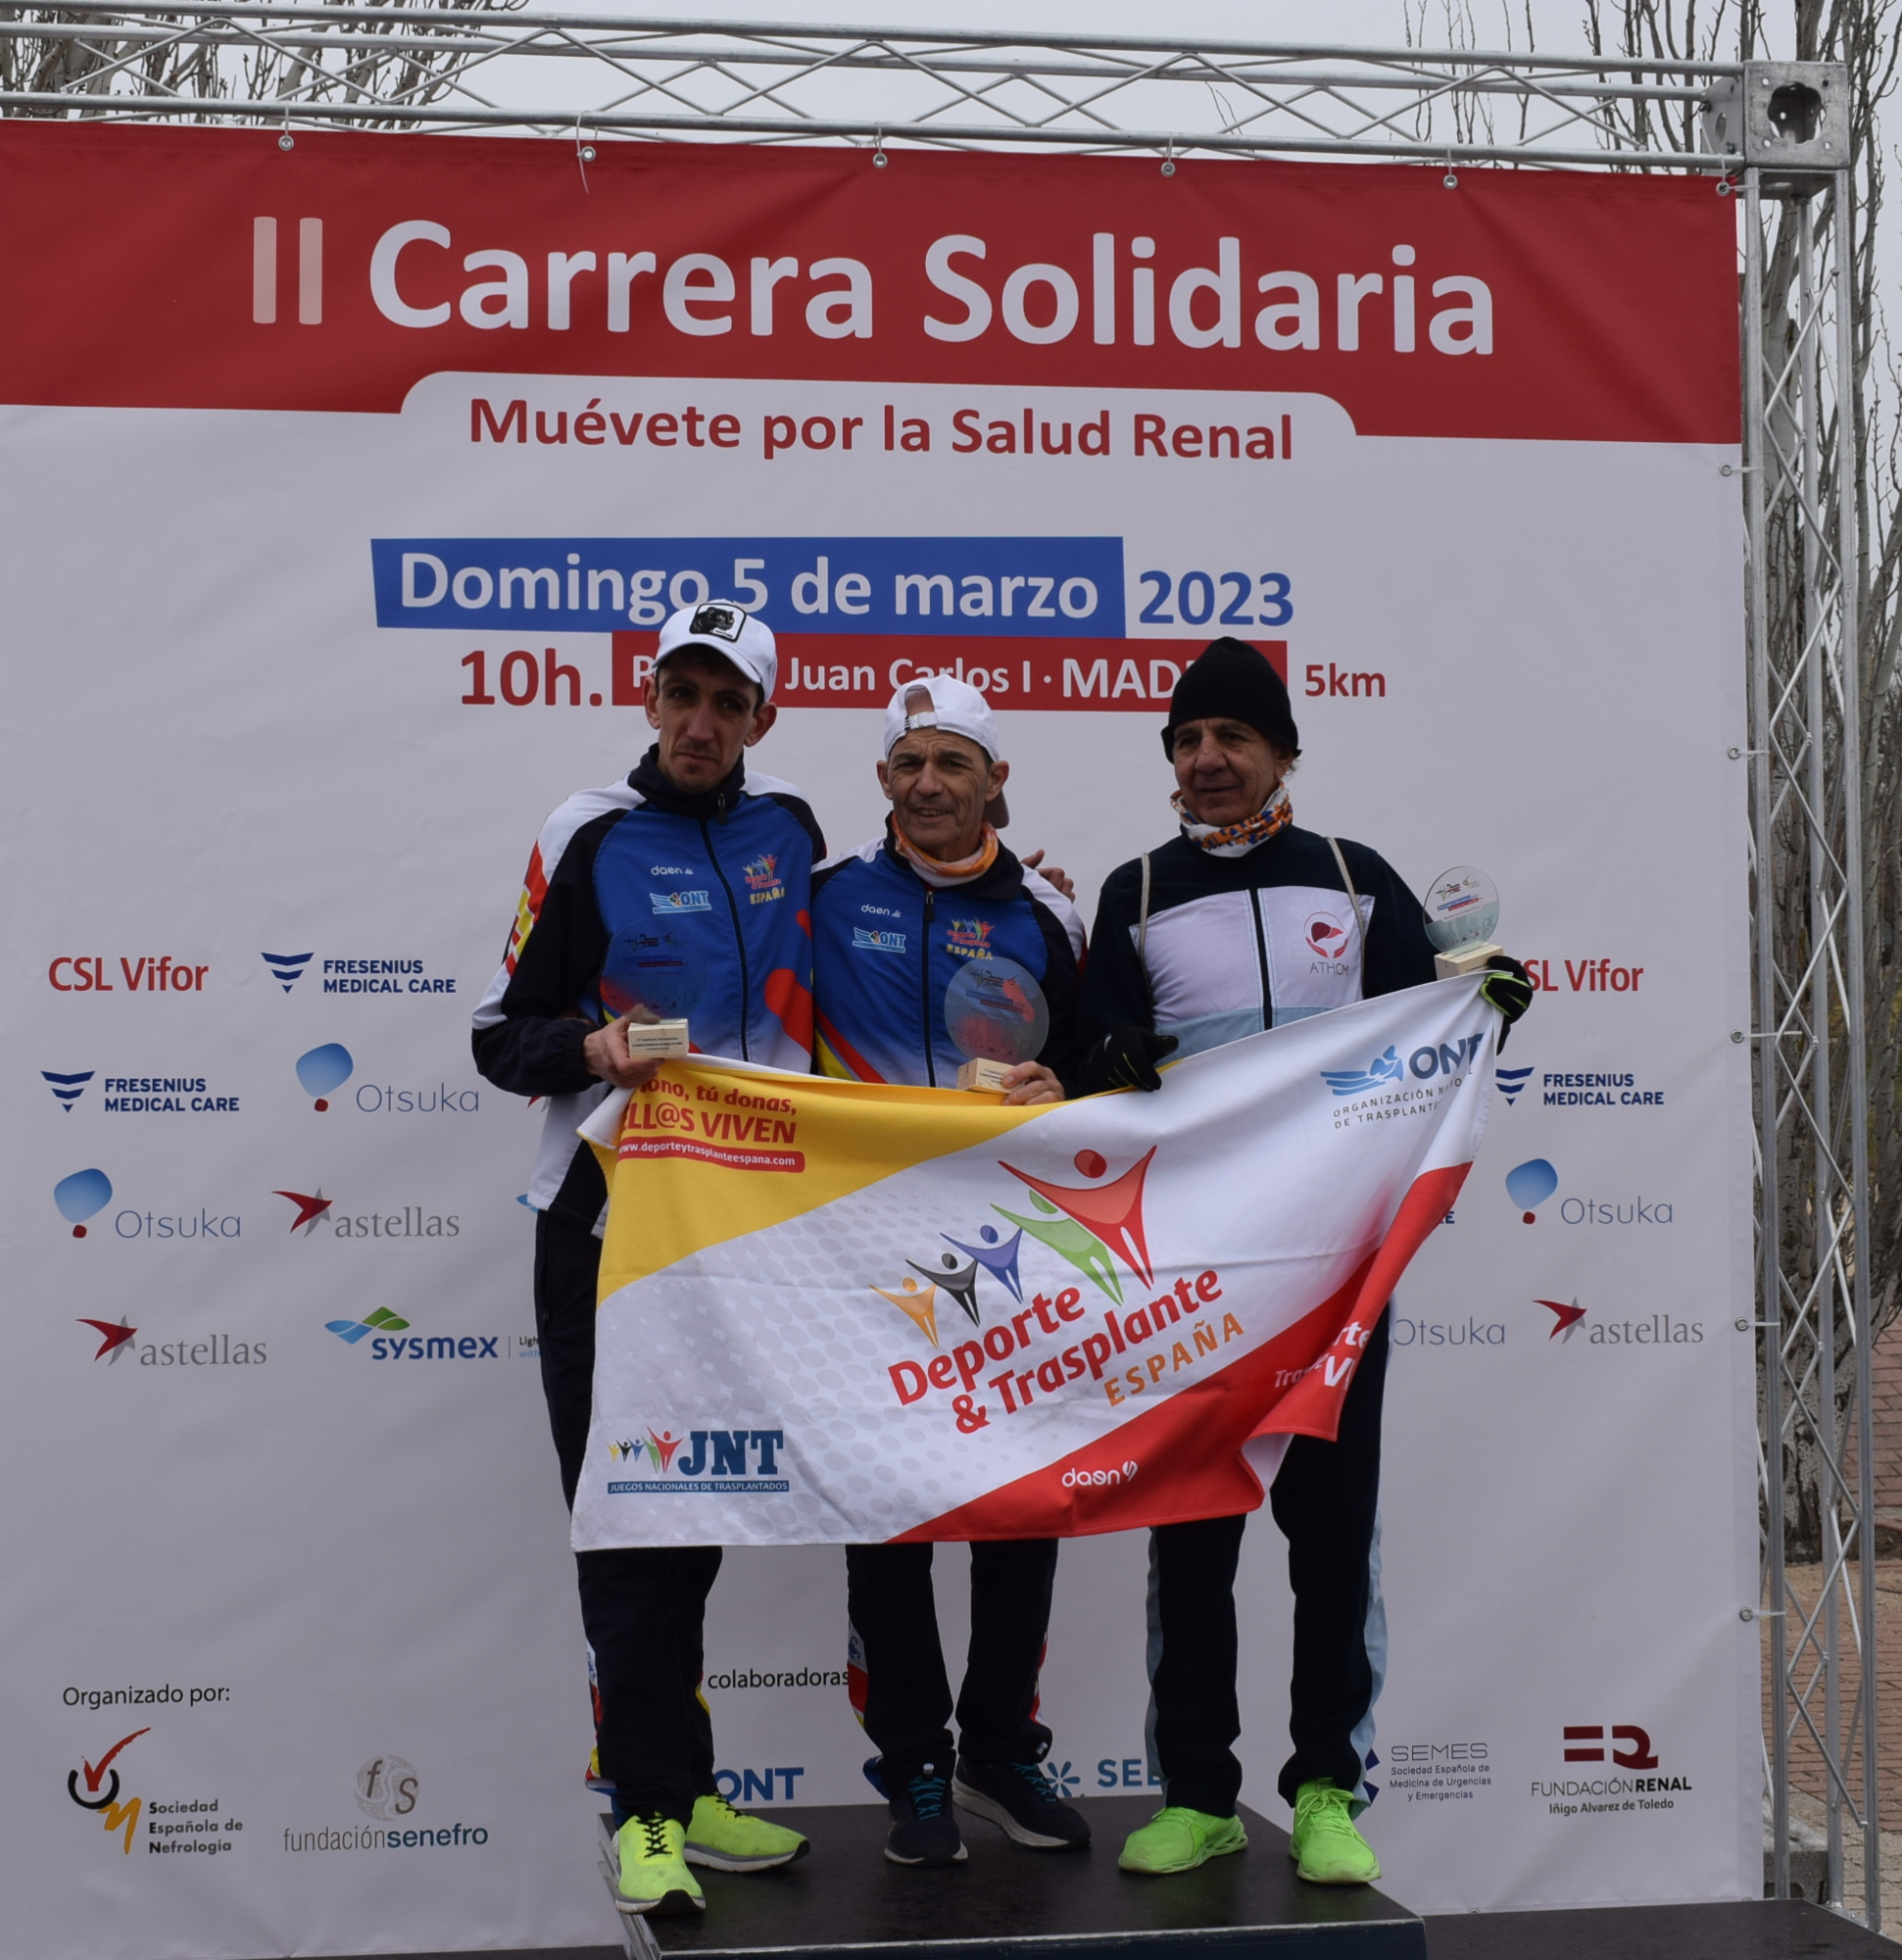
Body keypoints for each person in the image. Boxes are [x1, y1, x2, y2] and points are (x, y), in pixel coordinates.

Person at [1062, 639, 1532, 1888]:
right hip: (1194, 1279)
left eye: (1232, 736)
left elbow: (1426, 1028)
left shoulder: (1355, 877)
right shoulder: (1135, 890)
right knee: (1191, 1542)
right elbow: (1091, 1060)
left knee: (1329, 1541)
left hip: (1334, 1275)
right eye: (1186, 740)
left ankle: (1326, 1785)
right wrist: (1109, 1053)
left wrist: (1483, 1001)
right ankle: (1195, 1794)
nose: (1206, 759)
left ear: (1283, 751)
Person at [471, 601, 821, 1918]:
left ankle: (686, 1783)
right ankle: (645, 1809)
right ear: (649, 697)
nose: (699, 722)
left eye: (727, 702)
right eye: (682, 693)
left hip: (743, 1227)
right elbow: (500, 1033)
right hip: (606, 1223)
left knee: (701, 1511)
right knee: (626, 1517)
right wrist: (590, 1050)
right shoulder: (589, 833)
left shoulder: (794, 831)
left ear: (761, 718)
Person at [807, 675, 1092, 1867]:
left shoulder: (1050, 913)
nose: (928, 784)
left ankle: (1002, 1746)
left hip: (1006, 1248)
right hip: (860, 1249)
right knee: (888, 1514)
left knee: (1019, 1505)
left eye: (952, 762)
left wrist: (1071, 1079)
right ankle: (915, 1762)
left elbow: (1100, 1066)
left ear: (995, 780)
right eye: (908, 762)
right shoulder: (821, 896)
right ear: (882, 777)